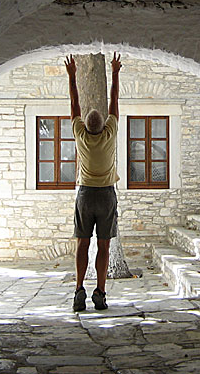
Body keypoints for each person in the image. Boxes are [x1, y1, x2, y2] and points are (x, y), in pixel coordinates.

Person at [64, 52, 122, 312]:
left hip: (85, 194)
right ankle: (100, 292)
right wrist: (116, 72)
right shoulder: (109, 134)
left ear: (85, 127)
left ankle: (79, 291)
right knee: (103, 245)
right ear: (104, 126)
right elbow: (115, 102)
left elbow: (74, 103)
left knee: (82, 243)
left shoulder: (80, 136)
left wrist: (72, 75)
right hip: (106, 195)